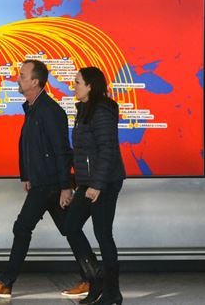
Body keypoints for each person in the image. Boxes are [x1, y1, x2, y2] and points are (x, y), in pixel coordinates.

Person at [0, 59, 98, 299]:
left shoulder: (50, 111)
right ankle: (92, 278)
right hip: (42, 181)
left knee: (22, 228)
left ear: (35, 82)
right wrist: (26, 176)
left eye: (22, 76)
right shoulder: (32, 108)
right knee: (70, 229)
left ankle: (6, 283)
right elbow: (29, 146)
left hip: (50, 184)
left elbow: (62, 151)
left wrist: (65, 187)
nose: (17, 79)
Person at [64, 67, 126, 305]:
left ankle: (112, 291)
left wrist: (97, 184)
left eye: (78, 82)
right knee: (70, 226)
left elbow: (107, 151)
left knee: (102, 234)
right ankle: (95, 279)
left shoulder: (101, 111)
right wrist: (75, 182)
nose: (74, 86)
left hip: (105, 183)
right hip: (89, 183)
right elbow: (84, 152)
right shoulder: (84, 111)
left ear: (90, 86)